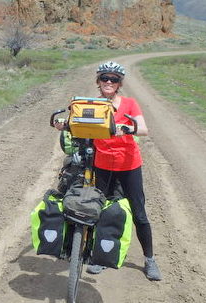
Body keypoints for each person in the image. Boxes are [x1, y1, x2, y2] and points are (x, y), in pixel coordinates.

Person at [54, 61, 162, 281]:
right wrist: (63, 124)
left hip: (129, 166)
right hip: (102, 165)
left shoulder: (130, 104)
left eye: (113, 79)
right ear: (98, 81)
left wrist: (128, 128)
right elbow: (77, 122)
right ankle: (100, 257)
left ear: (119, 83)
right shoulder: (92, 104)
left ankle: (150, 259)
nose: (109, 82)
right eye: (105, 78)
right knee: (99, 211)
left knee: (139, 214)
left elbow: (144, 129)